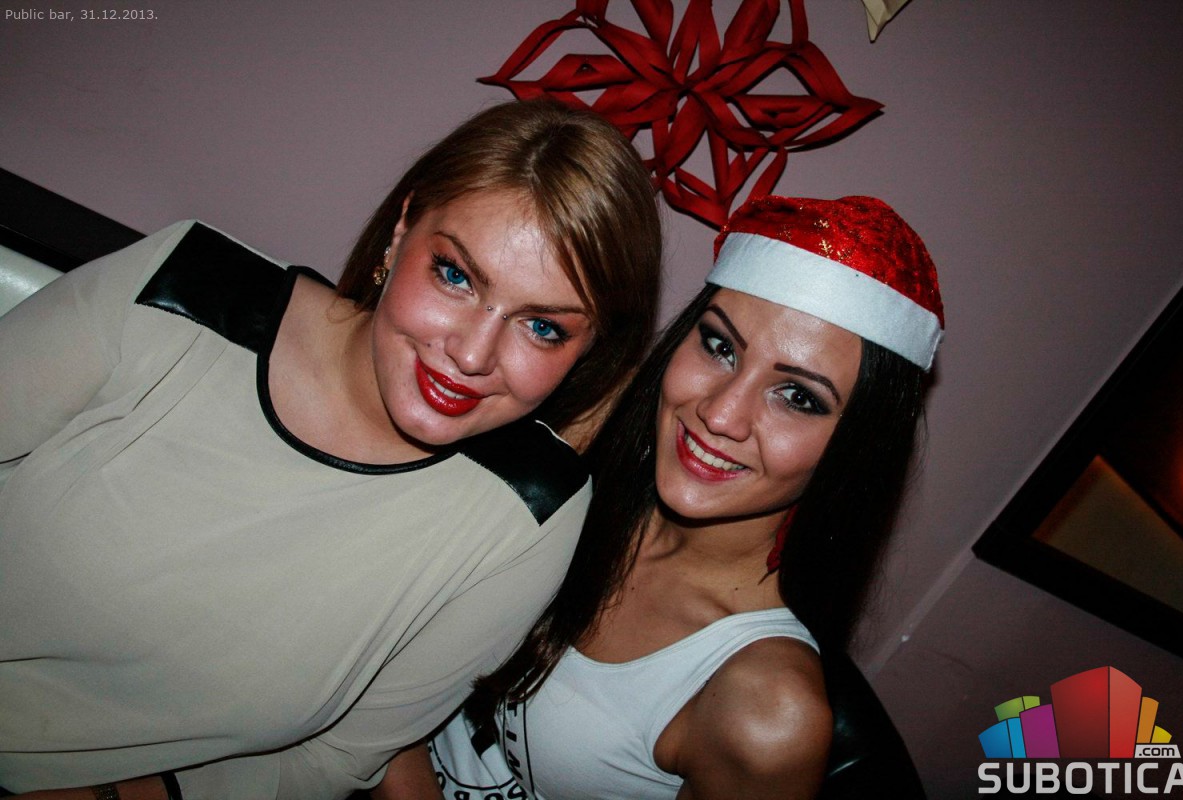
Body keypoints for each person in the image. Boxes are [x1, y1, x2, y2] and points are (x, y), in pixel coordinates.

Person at [0, 99, 661, 798]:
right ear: (401, 230)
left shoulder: (529, 512)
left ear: (588, 351)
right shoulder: (182, 292)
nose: (472, 354)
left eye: (543, 328)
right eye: (455, 276)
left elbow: (337, 758)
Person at [374, 194, 945, 800]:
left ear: (856, 449)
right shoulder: (577, 443)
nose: (720, 414)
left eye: (798, 398)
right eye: (720, 347)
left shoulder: (766, 712)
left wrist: (377, 735)